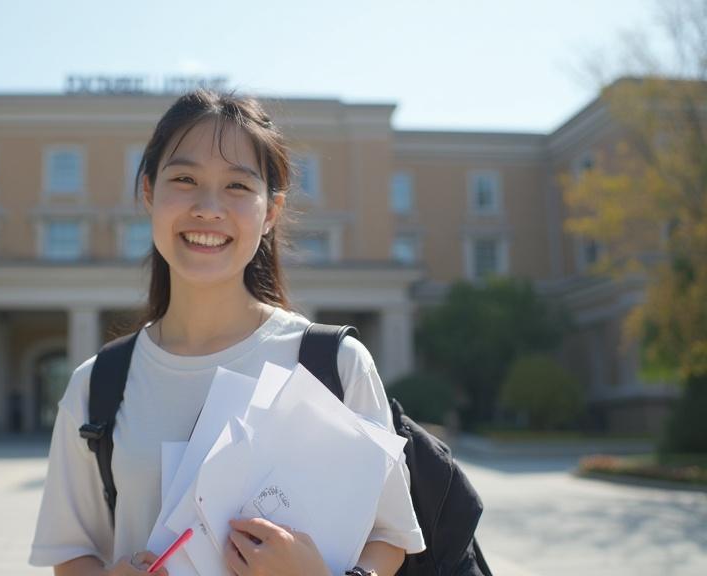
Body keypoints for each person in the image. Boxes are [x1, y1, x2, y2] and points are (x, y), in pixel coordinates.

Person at [30, 90, 425, 576]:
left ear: (271, 212)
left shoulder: (333, 364)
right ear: (149, 193)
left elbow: (390, 536)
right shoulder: (97, 384)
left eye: (238, 186)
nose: (208, 208)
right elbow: (70, 552)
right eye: (185, 179)